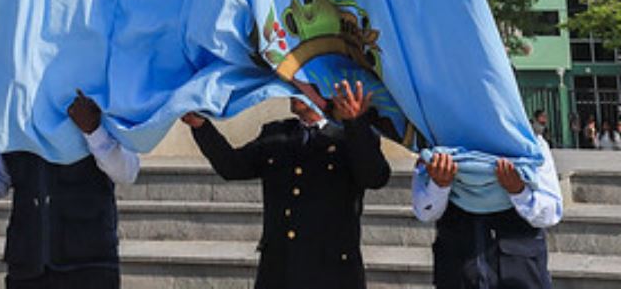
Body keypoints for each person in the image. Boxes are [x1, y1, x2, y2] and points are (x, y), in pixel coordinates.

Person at [183, 80, 390, 287]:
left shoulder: (350, 137)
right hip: (280, 271)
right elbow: (232, 167)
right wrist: (201, 127)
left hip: (331, 273)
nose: (293, 93)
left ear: (325, 93)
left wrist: (355, 123)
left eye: (303, 87)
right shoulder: (277, 134)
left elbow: (375, 177)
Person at [0, 90, 139, 288]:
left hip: (88, 265)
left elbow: (127, 172)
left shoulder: (97, 103)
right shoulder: (17, 119)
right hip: (29, 266)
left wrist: (94, 131)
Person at [413, 135, 562, 289]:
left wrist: (519, 191)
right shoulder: (437, 146)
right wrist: (439, 186)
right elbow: (424, 211)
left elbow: (550, 213)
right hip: (458, 272)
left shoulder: (531, 143)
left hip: (521, 273)